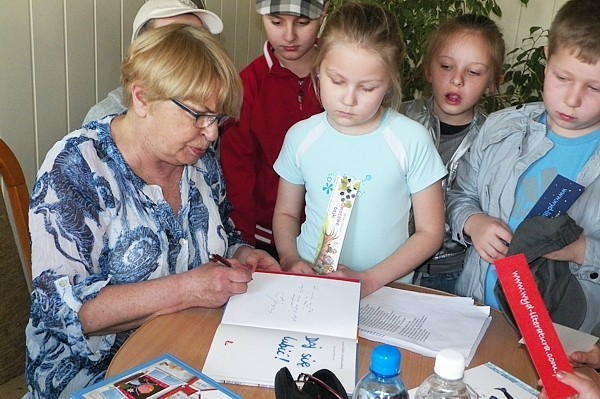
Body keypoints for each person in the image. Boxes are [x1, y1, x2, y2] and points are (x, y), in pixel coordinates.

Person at [23, 24, 279, 399]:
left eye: (217, 118)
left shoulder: (200, 163)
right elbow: (64, 309)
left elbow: (224, 233)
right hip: (93, 378)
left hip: (188, 351)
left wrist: (244, 254)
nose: (211, 135)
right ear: (141, 99)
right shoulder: (77, 168)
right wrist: (187, 289)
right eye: (198, 116)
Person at [272, 2, 447, 297]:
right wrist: (289, 258)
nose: (348, 99)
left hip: (388, 291)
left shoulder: (410, 139)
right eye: (337, 81)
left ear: (389, 85)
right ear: (318, 71)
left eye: (367, 88)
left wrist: (370, 280)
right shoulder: (301, 137)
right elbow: (287, 214)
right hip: (313, 286)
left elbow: (430, 232)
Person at [446, 0, 600, 334]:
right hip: (477, 311)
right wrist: (473, 223)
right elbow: (460, 194)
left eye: (595, 88)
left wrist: (582, 251)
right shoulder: (501, 129)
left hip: (564, 334)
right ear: (547, 59)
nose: (572, 99)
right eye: (562, 77)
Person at [398, 14, 505, 294]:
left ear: (492, 83)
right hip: (391, 262)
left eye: (473, 72)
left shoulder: (496, 140)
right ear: (428, 70)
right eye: (446, 66)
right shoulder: (397, 120)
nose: (456, 80)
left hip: (454, 272)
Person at [219, 0, 327, 257]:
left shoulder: (343, 77)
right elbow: (237, 172)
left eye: (302, 23)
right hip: (266, 238)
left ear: (324, 12)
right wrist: (243, 244)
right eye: (276, 22)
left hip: (333, 235)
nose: (289, 36)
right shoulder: (247, 85)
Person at [82, 0, 223, 124]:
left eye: (200, 38)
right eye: (176, 40)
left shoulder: (215, 109)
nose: (192, 50)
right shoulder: (104, 117)